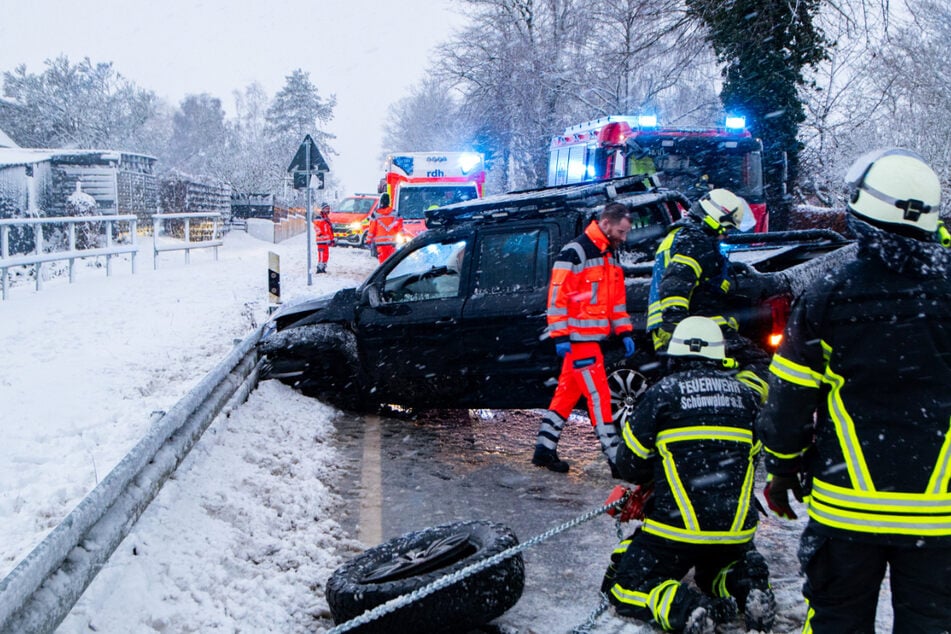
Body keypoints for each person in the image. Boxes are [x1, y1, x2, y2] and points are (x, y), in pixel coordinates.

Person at [756, 148, 951, 633]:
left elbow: (789, 400)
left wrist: (782, 469)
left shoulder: (829, 292)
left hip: (847, 509)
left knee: (837, 623)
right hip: (941, 515)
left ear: (862, 213)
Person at [605, 316, 775, 633]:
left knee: (625, 584)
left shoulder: (662, 394)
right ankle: (743, 583)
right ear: (719, 355)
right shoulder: (747, 397)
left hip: (677, 528)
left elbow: (629, 464)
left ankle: (684, 608)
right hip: (735, 529)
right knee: (712, 572)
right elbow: (754, 456)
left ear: (675, 355)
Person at [531, 202, 636, 474]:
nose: (624, 237)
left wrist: (624, 330)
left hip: (587, 340)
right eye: (621, 231)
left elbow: (615, 301)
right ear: (606, 223)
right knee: (599, 396)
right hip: (580, 341)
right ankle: (615, 456)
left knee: (567, 394)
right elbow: (557, 298)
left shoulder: (608, 254)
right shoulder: (576, 252)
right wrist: (561, 335)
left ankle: (544, 449)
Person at [646, 188, 769, 399]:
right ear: (715, 217)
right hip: (693, 327)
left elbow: (694, 282)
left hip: (678, 326)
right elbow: (675, 284)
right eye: (726, 227)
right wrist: (676, 325)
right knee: (759, 364)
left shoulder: (682, 235)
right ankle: (743, 402)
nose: (726, 234)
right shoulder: (694, 241)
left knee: (695, 381)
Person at [366, 192, 402, 263]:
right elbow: (400, 228)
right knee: (391, 262)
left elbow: (371, 229)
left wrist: (368, 240)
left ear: (381, 201)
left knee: (383, 262)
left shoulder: (375, 214)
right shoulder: (395, 214)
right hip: (392, 242)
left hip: (380, 243)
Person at [313, 203, 334, 274]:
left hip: (326, 240)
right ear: (322, 209)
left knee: (326, 255)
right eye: (326, 208)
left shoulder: (327, 218)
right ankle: (320, 267)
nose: (327, 210)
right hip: (321, 240)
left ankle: (323, 267)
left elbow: (329, 230)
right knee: (321, 254)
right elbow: (316, 226)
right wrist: (320, 234)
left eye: (328, 209)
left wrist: (331, 239)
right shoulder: (319, 217)